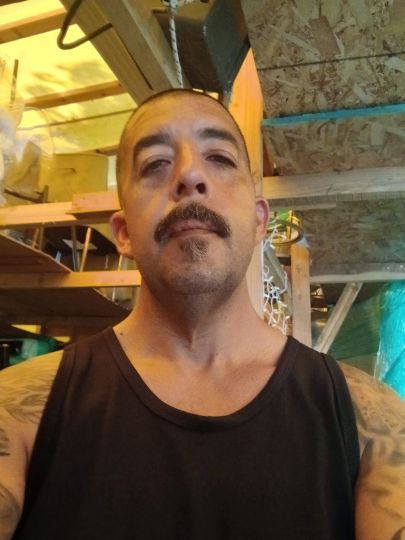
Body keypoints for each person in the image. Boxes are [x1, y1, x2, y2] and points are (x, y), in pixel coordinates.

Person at [1, 89, 404, 540]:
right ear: (123, 233)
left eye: (219, 158)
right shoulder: (14, 412)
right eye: (155, 164)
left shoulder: (375, 425)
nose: (190, 174)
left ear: (259, 222)